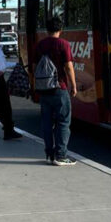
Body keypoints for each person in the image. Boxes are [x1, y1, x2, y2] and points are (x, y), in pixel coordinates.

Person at [34, 17, 77, 166]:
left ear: (47, 29)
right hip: (60, 88)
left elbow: (35, 67)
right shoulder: (63, 44)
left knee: (46, 122)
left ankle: (49, 154)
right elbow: (69, 67)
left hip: (44, 89)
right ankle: (61, 155)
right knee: (63, 122)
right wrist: (74, 85)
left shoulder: (40, 45)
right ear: (61, 29)